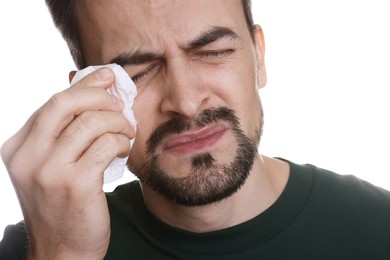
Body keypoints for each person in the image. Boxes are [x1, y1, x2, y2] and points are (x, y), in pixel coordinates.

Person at [1, 0, 389, 259]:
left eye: (214, 51)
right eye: (139, 72)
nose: (185, 102)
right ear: (86, 94)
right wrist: (63, 253)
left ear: (259, 58)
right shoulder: (37, 247)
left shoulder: (379, 230)